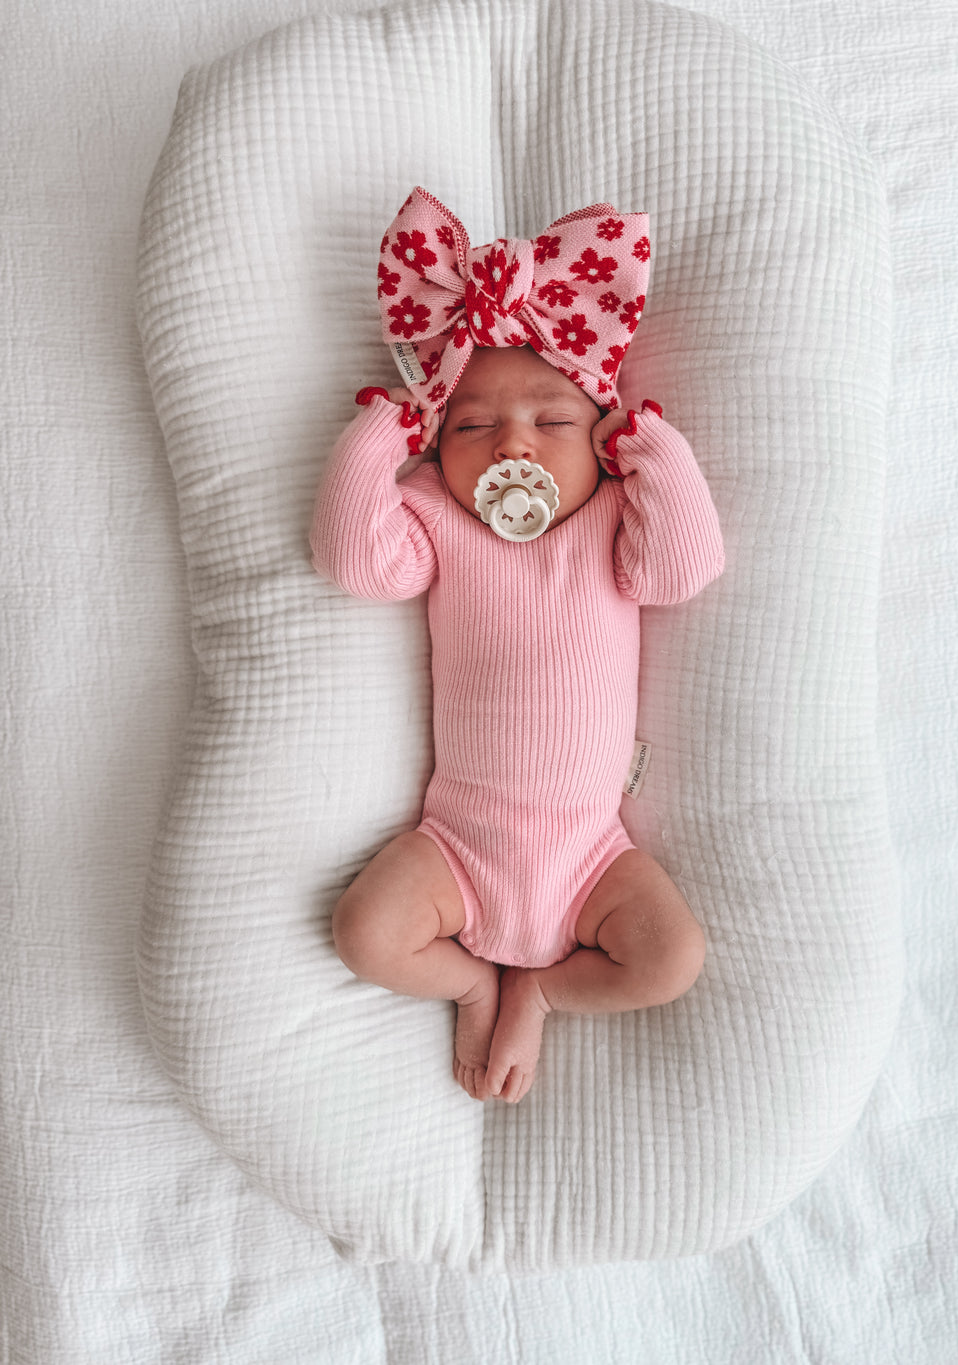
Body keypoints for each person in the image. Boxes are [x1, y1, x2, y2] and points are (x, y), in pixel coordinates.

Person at [311, 187, 724, 1103]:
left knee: (672, 957)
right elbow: (353, 559)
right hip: (457, 841)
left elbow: (685, 569)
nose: (513, 446)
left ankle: (540, 990)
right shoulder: (436, 516)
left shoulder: (615, 515)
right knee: (364, 933)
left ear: (599, 434)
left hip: (591, 853)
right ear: (437, 439)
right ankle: (467, 978)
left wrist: (648, 444)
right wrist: (387, 431)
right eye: (471, 424)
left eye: (554, 420)